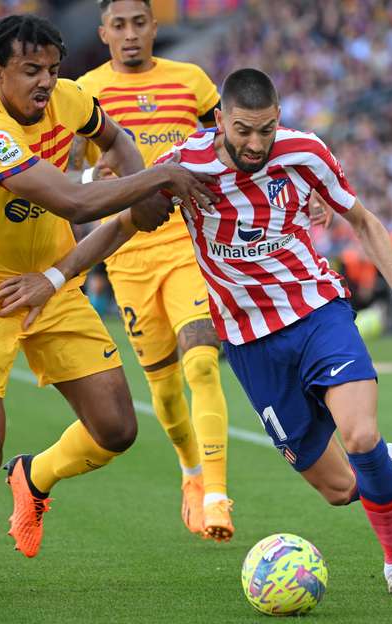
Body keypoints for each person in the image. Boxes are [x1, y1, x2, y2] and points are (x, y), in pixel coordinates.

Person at [2, 68, 392, 598]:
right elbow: (121, 226)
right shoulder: (185, 165)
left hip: (316, 313)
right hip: (250, 343)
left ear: (278, 120)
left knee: (359, 435)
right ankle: (389, 473)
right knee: (340, 488)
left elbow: (364, 219)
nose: (256, 144)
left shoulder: (304, 151)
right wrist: (54, 279)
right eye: (243, 131)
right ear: (220, 119)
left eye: (266, 130)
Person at [0, 14, 215, 600]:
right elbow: (73, 201)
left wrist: (145, 190)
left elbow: (117, 141)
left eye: (53, 70)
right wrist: (160, 179)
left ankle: (33, 478)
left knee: (116, 427)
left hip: (52, 283)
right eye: (31, 71)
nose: (45, 82)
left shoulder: (71, 99)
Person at [76, 0, 233, 541]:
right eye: (118, 25)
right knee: (164, 390)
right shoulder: (85, 91)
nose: (130, 34)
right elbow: (69, 173)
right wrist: (90, 179)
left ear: (154, 27)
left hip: (190, 243)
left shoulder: (191, 81)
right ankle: (191, 472)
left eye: (138, 23)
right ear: (103, 33)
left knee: (203, 366)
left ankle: (217, 494)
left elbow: (235, 141)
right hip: (128, 252)